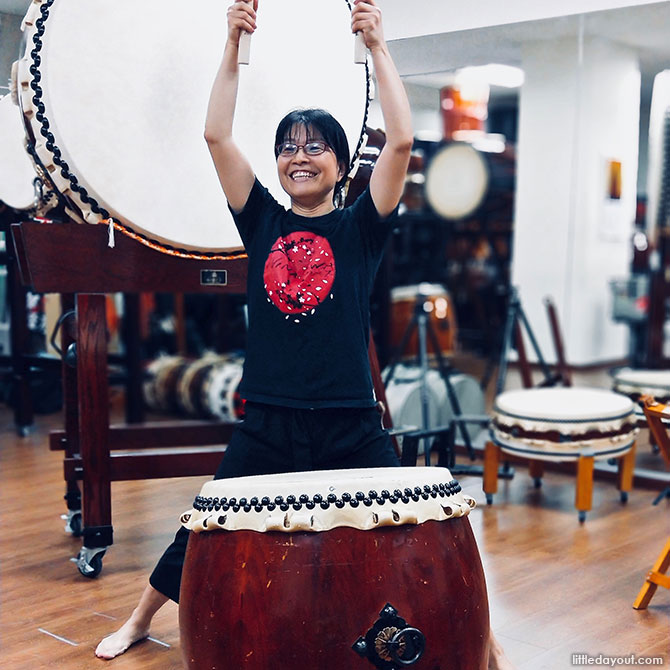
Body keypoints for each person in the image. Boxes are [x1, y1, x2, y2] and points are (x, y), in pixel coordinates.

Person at [96, 2, 513, 667]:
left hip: (351, 420)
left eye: (314, 145)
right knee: (205, 525)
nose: (298, 156)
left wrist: (377, 45)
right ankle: (142, 618)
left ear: (341, 164)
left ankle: (483, 642)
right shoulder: (260, 220)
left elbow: (401, 142)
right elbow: (214, 134)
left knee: (415, 526)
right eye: (288, 146)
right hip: (270, 419)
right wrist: (233, 44)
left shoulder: (360, 226)